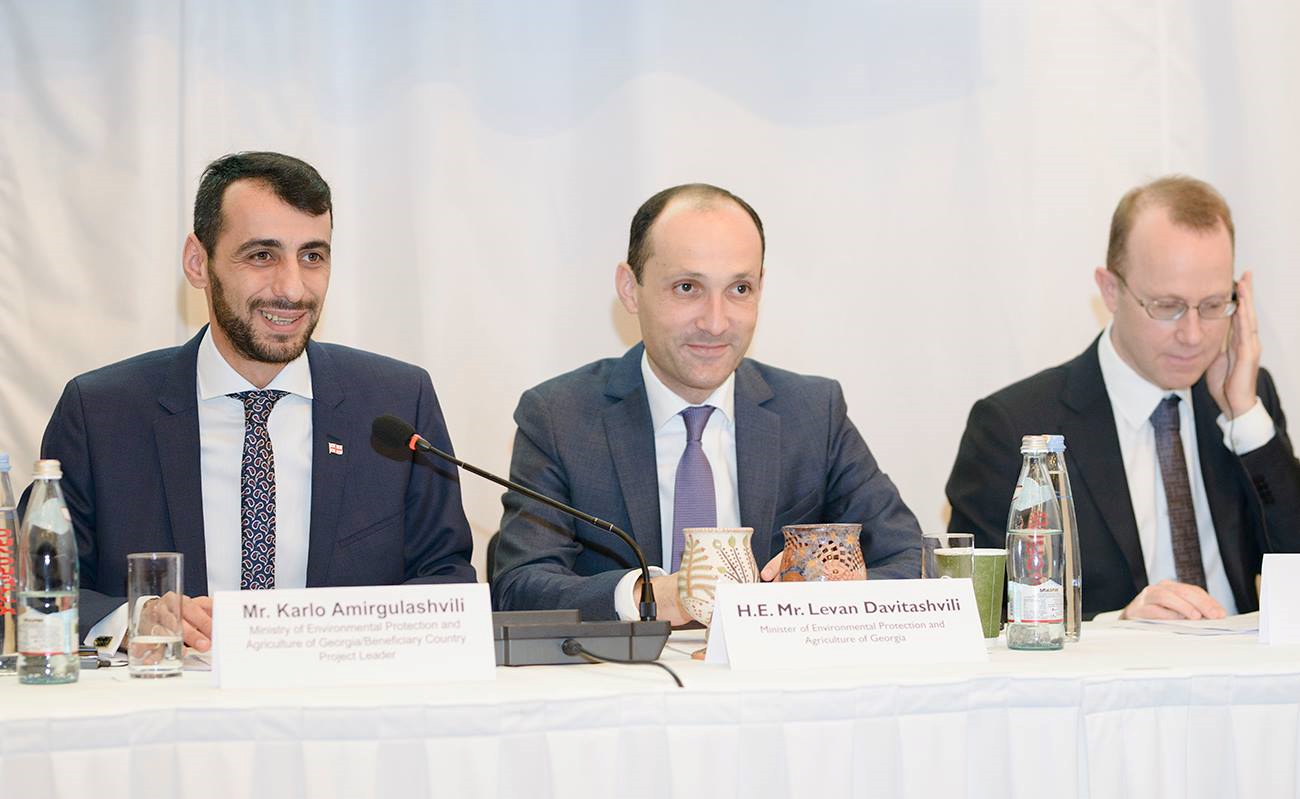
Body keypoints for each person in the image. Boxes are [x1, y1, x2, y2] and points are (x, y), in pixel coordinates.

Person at [33, 152, 475, 652]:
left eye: (312, 256)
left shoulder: (396, 403)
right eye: (262, 255)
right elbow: (37, 588)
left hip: (340, 695)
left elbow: (446, 577)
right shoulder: (101, 413)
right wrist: (135, 618)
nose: (292, 289)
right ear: (198, 263)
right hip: (171, 696)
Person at [491, 183, 921, 624]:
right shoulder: (558, 417)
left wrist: (824, 594)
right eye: (687, 287)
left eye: (739, 288)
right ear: (630, 288)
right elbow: (519, 587)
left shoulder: (813, 412)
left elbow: (912, 559)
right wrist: (652, 597)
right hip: (629, 668)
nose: (716, 323)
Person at [946, 175, 1300, 620]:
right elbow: (976, 617)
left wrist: (1245, 417)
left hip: (1238, 663)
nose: (1193, 336)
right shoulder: (1014, 426)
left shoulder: (1243, 399)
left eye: (1213, 306)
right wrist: (1119, 628)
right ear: (1111, 290)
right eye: (1167, 307)